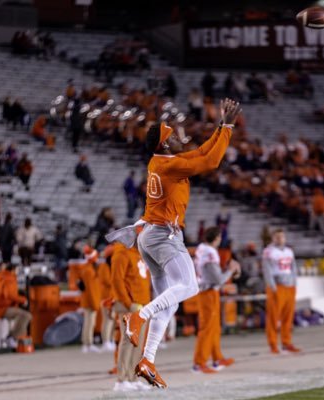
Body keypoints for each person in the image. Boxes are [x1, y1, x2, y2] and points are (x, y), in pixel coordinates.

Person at [108, 98, 241, 388]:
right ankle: (137, 318)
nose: (182, 138)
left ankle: (148, 360)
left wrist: (222, 127)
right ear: (166, 144)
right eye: (175, 136)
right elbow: (211, 160)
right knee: (190, 286)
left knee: (169, 304)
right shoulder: (169, 166)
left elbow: (202, 152)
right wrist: (228, 127)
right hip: (163, 235)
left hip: (151, 235)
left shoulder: (162, 161)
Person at [193, 226, 240, 373]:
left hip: (207, 291)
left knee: (214, 328)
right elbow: (219, 279)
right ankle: (199, 363)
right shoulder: (209, 252)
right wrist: (231, 271)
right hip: (208, 292)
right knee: (207, 328)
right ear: (217, 238)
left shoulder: (202, 248)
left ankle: (217, 358)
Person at [111, 242, 151, 392]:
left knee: (139, 343)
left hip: (141, 304)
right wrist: (128, 303)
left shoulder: (139, 254)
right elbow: (117, 280)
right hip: (130, 304)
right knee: (128, 341)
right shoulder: (121, 254)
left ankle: (132, 378)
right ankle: (121, 380)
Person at [262, 228, 300, 354]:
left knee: (288, 317)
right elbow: (267, 270)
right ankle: (273, 344)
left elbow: (293, 267)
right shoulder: (269, 251)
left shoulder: (289, 251)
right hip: (277, 286)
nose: (280, 239)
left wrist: (294, 283)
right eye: (277, 237)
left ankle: (286, 342)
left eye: (282, 236)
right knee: (273, 317)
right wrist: (272, 286)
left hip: (289, 287)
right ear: (273, 238)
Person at [0, 263, 32, 348]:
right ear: (12, 270)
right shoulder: (9, 278)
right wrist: (23, 300)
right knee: (26, 315)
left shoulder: (3, 277)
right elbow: (9, 294)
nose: (17, 271)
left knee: (23, 316)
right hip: (0, 309)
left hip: (0, 307)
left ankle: (18, 339)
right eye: (16, 269)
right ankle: (13, 337)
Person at [79, 246, 101, 353]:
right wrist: (94, 303)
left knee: (88, 322)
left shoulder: (86, 268)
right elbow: (91, 289)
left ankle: (87, 343)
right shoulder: (89, 271)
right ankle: (88, 343)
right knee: (89, 323)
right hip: (90, 301)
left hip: (88, 300)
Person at [98, 247, 115, 352]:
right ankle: (106, 341)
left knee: (112, 320)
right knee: (107, 320)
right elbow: (108, 281)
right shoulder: (104, 267)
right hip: (105, 297)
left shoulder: (111, 266)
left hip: (112, 297)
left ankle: (111, 339)